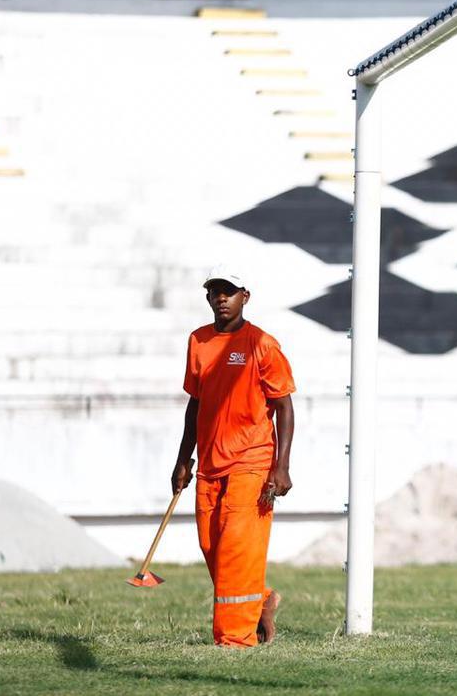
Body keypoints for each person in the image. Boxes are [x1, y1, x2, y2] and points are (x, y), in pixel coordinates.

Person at [170, 265, 296, 647]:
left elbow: (285, 407)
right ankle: (259, 600)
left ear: (246, 296)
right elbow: (196, 404)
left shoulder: (262, 344)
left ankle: (236, 639)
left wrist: (282, 466)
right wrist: (182, 459)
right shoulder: (198, 341)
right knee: (212, 547)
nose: (221, 297)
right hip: (209, 463)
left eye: (229, 290)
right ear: (208, 297)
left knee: (237, 549)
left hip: (252, 463)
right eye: (214, 291)